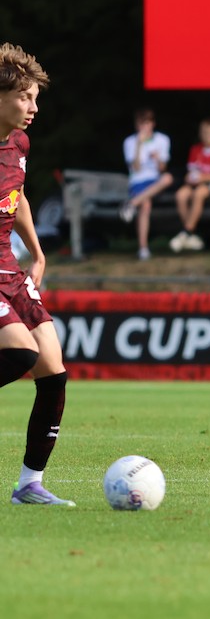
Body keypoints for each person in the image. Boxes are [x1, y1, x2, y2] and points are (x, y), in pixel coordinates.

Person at [0, 43, 74, 505]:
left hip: (8, 267)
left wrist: (37, 251)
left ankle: (29, 485)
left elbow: (18, 194)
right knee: (21, 353)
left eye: (35, 98)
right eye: (25, 97)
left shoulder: (18, 144)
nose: (33, 108)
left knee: (53, 370)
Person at [169, 118, 210, 253]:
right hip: (196, 183)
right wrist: (190, 178)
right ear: (200, 134)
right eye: (205, 133)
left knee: (198, 193)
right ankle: (190, 234)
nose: (208, 136)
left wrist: (204, 178)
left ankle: (186, 233)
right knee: (181, 195)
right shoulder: (195, 149)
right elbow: (191, 172)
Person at [121, 108, 173, 260]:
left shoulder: (162, 140)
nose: (144, 127)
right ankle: (143, 249)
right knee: (145, 205)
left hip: (155, 181)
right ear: (137, 125)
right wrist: (139, 145)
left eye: (147, 123)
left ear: (153, 124)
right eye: (141, 123)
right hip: (138, 181)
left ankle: (131, 204)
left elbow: (163, 169)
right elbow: (135, 168)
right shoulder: (130, 142)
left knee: (168, 178)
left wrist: (157, 158)